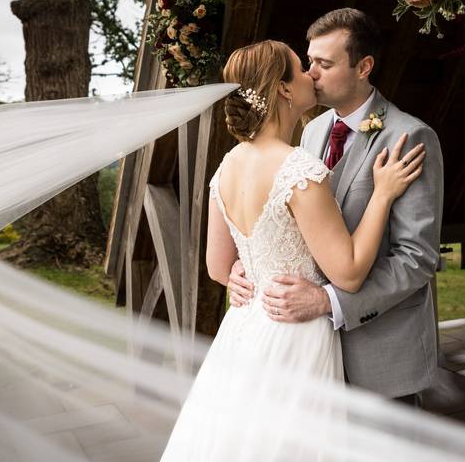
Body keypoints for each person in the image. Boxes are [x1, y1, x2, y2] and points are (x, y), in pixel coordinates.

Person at [160, 39, 426, 460]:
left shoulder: (228, 163)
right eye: (301, 68)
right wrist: (382, 194)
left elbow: (216, 266)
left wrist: (243, 277)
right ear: (284, 89)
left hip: (245, 333)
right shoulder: (299, 169)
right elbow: (350, 271)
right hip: (294, 338)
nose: (311, 75)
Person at [227, 8, 445, 407]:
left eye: (324, 64)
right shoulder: (310, 131)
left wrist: (329, 302)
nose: (311, 73)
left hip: (382, 355)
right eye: (309, 61)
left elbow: (418, 258)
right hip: (308, 355)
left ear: (364, 67)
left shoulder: (409, 136)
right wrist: (246, 265)